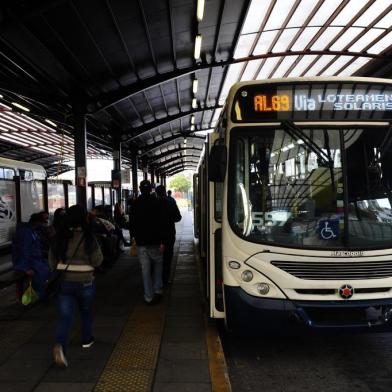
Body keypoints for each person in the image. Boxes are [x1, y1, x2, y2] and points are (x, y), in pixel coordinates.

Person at [49, 205, 103, 368]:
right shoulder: (88, 237)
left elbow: (51, 262)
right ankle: (86, 339)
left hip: (65, 282)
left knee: (65, 316)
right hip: (85, 281)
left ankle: (60, 345)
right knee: (85, 311)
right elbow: (98, 261)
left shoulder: (59, 237)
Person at [129, 180, 165, 304]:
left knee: (145, 270)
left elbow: (132, 223)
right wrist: (162, 241)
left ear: (140, 189)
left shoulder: (135, 204)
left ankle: (148, 297)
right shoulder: (157, 202)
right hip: (155, 241)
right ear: (151, 189)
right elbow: (161, 223)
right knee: (158, 264)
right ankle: (158, 290)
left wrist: (133, 237)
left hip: (141, 242)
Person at [13, 213, 50, 300]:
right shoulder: (26, 232)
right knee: (43, 271)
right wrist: (26, 268)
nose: (43, 225)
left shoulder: (32, 230)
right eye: (42, 223)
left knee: (48, 268)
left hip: (34, 259)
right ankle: (39, 295)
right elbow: (24, 250)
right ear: (37, 222)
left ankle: (40, 293)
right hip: (26, 262)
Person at [156, 185, 182, 285]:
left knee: (156, 258)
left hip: (156, 236)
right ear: (165, 192)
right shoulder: (171, 203)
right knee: (167, 258)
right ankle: (165, 280)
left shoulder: (153, 204)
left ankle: (156, 280)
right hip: (169, 234)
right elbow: (178, 217)